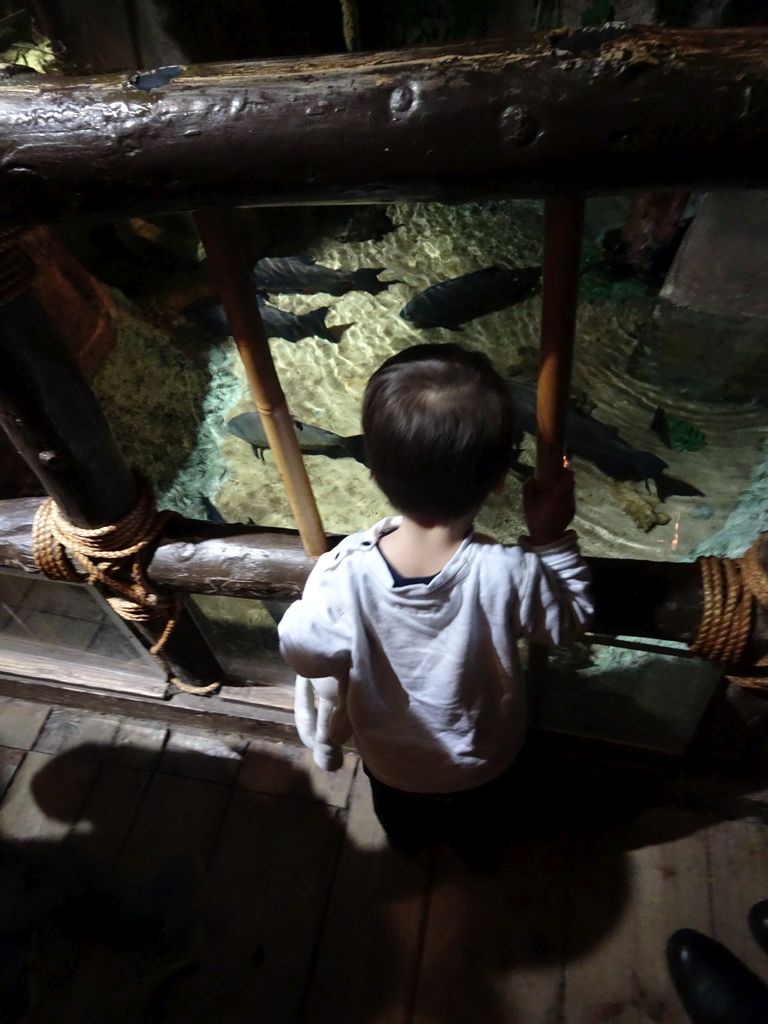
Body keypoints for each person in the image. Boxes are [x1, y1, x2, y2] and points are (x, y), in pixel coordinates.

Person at [278, 342, 592, 858]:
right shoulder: (508, 571)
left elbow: (301, 649)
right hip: (484, 760)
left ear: (374, 471)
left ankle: (416, 858)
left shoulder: (344, 574)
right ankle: (480, 862)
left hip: (392, 765)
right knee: (483, 836)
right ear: (497, 482)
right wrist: (550, 537)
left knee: (408, 832)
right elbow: (569, 619)